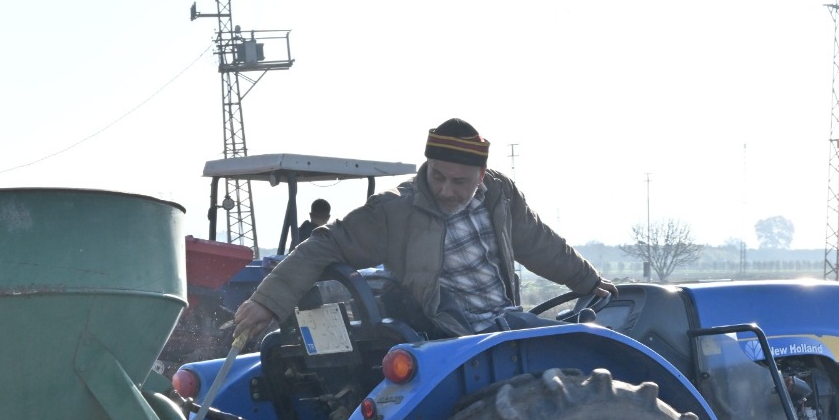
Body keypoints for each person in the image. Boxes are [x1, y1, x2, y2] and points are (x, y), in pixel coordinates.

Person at [233, 118, 614, 341]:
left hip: (502, 320)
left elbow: (539, 243)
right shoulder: (394, 211)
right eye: (438, 176)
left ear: (481, 175)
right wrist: (268, 301)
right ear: (427, 165)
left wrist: (586, 280)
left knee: (584, 347)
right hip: (450, 335)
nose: (446, 190)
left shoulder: (501, 196)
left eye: (459, 181)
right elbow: (324, 245)